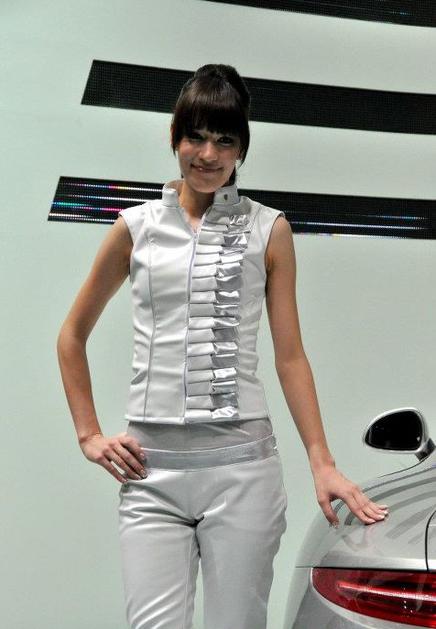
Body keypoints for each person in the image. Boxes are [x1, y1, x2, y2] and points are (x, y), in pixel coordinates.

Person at [57, 63, 389, 629]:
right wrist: (88, 434)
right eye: (196, 137)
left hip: (243, 474)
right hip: (150, 476)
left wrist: (323, 462)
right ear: (174, 137)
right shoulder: (134, 227)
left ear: (242, 149)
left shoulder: (269, 229)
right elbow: (71, 335)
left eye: (225, 140)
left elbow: (290, 356)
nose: (208, 155)